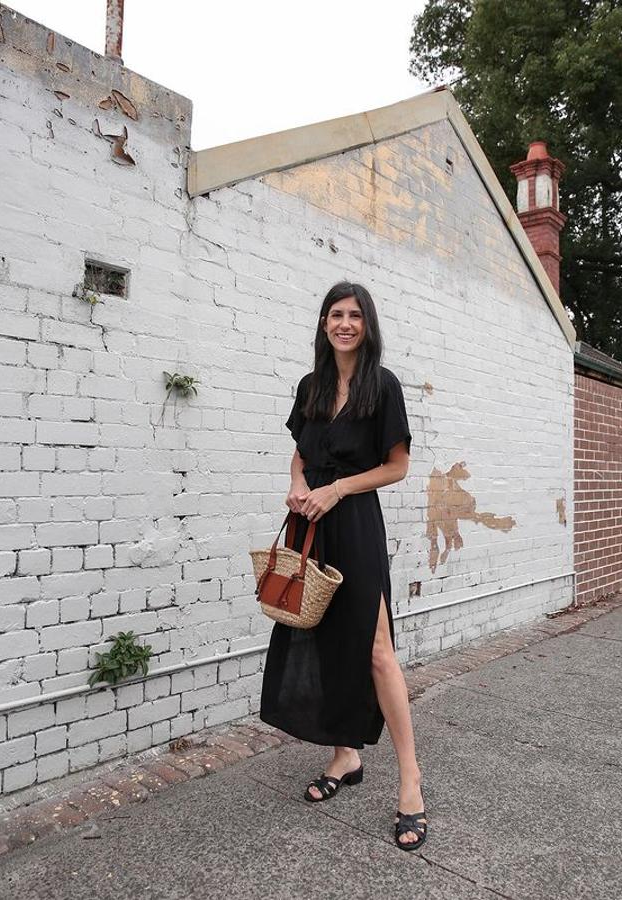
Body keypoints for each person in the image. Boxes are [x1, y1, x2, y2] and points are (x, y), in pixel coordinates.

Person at [259, 281, 428, 851]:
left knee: (377, 651)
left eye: (355, 315)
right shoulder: (311, 386)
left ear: (367, 324)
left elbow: (397, 466)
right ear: (324, 323)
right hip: (312, 523)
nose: (345, 323)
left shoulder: (383, 386)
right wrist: (298, 485)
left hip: (354, 524)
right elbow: (300, 455)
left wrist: (336, 491)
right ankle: (346, 756)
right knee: (328, 643)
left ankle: (411, 782)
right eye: (336, 314)